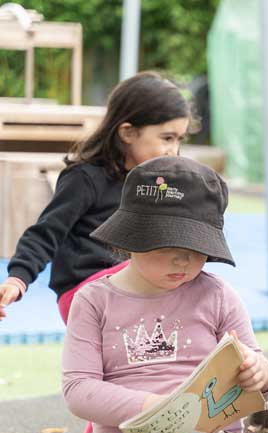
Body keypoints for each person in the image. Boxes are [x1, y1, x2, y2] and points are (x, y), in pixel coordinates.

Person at [61, 156, 268, 433]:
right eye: (167, 245)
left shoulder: (217, 294)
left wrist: (261, 371)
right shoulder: (94, 300)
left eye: (197, 248)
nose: (183, 259)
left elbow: (256, 365)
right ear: (131, 238)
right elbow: (78, 390)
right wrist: (157, 409)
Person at [0, 71, 191, 324]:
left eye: (179, 140)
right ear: (128, 133)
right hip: (84, 292)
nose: (174, 150)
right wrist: (18, 277)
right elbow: (47, 232)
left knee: (202, 285)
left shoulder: (159, 183)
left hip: (137, 288)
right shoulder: (85, 178)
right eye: (167, 138)